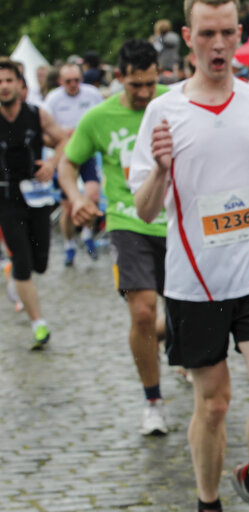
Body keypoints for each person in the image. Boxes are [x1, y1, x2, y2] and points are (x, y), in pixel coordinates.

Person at [129, 0, 249, 510]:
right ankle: (208, 501)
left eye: (226, 32)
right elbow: (144, 209)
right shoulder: (164, 110)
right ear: (187, 35)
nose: (217, 44)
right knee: (214, 405)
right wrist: (159, 169)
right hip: (194, 282)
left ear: (239, 33)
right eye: (207, 34)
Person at [57, 39, 172, 436]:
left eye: (150, 84)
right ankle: (153, 400)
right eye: (135, 85)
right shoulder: (99, 117)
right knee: (142, 311)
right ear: (119, 77)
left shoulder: (175, 104)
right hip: (127, 223)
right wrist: (74, 199)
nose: (143, 94)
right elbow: (68, 164)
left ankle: (181, 345)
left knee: (187, 317)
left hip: (179, 223)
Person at [0, 57, 68, 349]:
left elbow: (65, 140)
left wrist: (52, 163)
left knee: (40, 263)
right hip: (5, 199)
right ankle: (38, 323)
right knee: (23, 261)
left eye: (8, 81)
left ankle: (15, 276)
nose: (3, 87)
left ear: (20, 85)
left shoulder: (36, 115)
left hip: (38, 196)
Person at [43, 63, 103, 266]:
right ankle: (69, 244)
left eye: (77, 80)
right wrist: (61, 135)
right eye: (68, 81)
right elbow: (45, 132)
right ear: (60, 82)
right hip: (65, 156)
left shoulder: (92, 94)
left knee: (93, 194)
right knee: (67, 206)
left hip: (87, 152)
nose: (73, 85)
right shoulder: (53, 99)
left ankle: (87, 234)